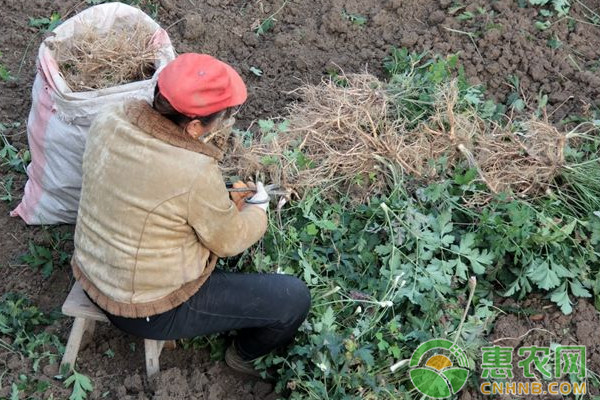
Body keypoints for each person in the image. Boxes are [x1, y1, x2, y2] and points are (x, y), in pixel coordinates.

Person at [71, 53, 311, 377]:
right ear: (196, 126)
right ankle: (242, 357)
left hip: (90, 272)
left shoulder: (111, 115)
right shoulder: (194, 171)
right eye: (221, 119)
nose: (222, 124)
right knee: (292, 299)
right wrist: (258, 208)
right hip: (147, 308)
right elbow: (229, 241)